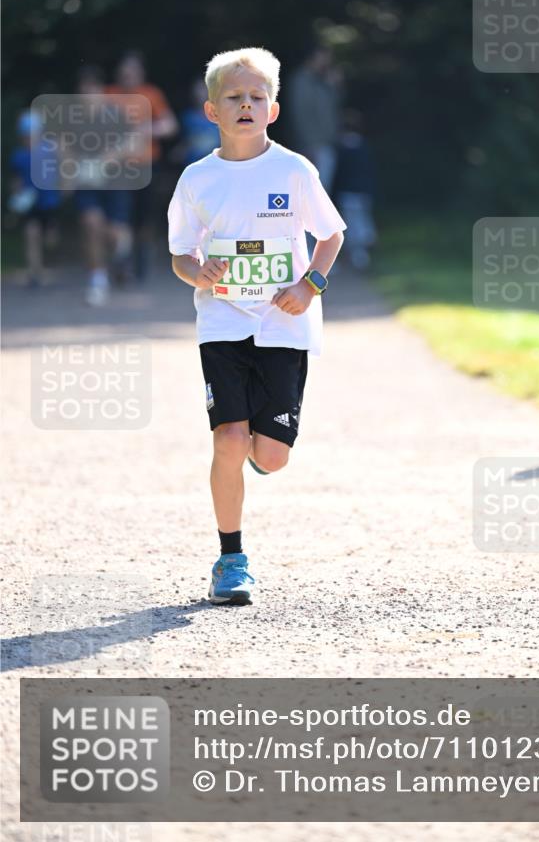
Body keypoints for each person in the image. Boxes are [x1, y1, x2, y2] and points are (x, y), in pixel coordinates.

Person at [167, 47, 346, 605]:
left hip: (283, 325)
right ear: (211, 110)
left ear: (272, 109)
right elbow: (180, 255)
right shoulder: (198, 179)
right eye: (233, 97)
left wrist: (308, 286)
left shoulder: (294, 170)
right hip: (222, 322)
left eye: (256, 97)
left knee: (269, 455)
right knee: (229, 437)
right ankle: (231, 559)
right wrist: (201, 273)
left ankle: (257, 445)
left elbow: (331, 235)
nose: (245, 105)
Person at [108, 51, 178, 280]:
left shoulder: (151, 94)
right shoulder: (108, 95)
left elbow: (170, 125)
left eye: (133, 71)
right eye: (125, 71)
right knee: (121, 216)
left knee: (144, 219)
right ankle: (123, 261)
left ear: (141, 73)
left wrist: (147, 129)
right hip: (118, 167)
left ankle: (142, 260)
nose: (128, 75)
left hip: (148, 166)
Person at [72, 65, 135, 306]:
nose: (88, 96)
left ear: (101, 92)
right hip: (87, 183)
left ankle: (121, 251)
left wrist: (110, 157)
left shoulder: (115, 115)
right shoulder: (73, 119)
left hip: (116, 182)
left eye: (92, 91)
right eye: (83, 92)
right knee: (91, 224)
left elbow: (133, 141)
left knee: (115, 234)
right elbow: (63, 146)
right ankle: (98, 279)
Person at [7, 110, 61, 286]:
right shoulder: (18, 156)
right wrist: (15, 198)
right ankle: (34, 272)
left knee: (50, 239)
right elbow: (16, 180)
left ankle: (51, 261)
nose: (28, 138)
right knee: (31, 234)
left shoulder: (50, 150)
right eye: (25, 135)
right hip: (30, 203)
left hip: (49, 202)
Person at [284, 43, 342, 194]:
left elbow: (332, 108)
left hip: (325, 143)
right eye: (324, 57)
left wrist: (333, 87)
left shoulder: (322, 82)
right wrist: (309, 144)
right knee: (313, 191)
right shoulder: (301, 81)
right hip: (312, 145)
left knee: (321, 191)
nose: (327, 61)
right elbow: (300, 113)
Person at [333, 108, 378, 270]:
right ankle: (364, 245)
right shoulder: (365, 148)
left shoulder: (341, 150)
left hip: (348, 194)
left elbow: (338, 175)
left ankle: (359, 253)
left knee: (353, 223)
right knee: (362, 219)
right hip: (363, 192)